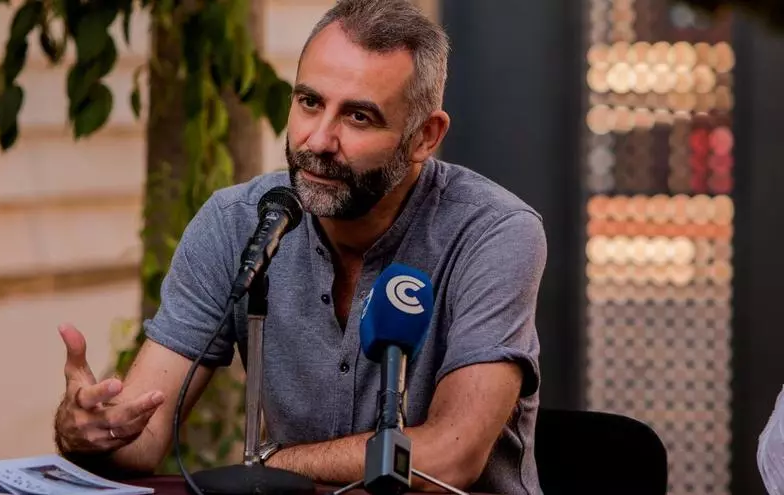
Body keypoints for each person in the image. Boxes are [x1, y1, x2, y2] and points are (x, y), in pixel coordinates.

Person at [53, 0, 548, 493]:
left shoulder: (493, 232)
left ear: (425, 136)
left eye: (359, 117)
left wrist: (274, 462)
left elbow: (449, 457)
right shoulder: (238, 222)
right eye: (310, 102)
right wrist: (90, 431)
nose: (318, 140)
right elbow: (140, 439)